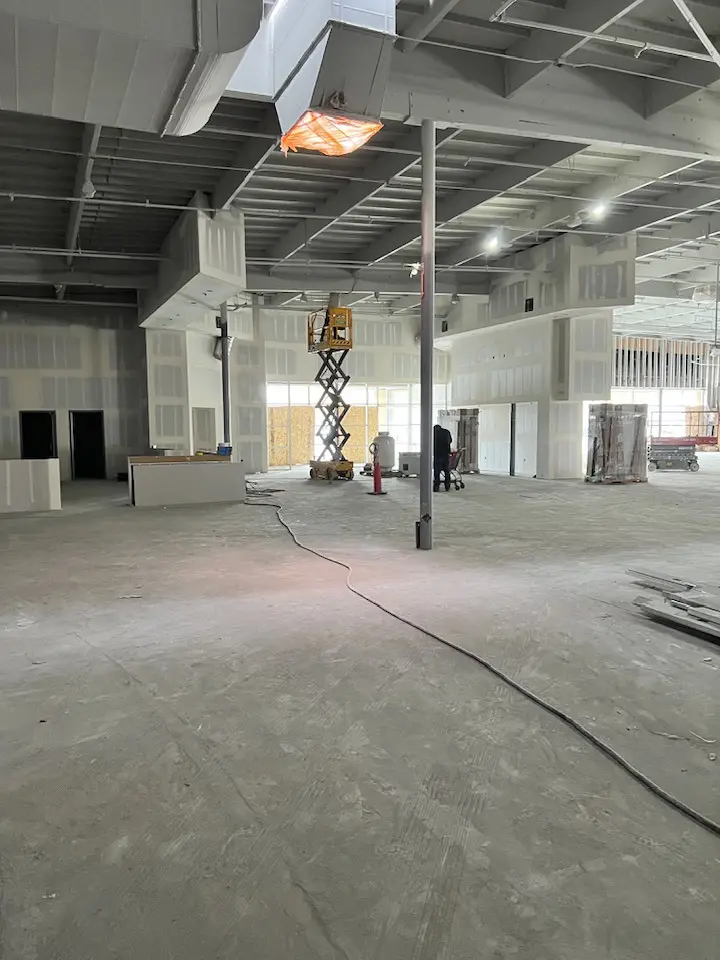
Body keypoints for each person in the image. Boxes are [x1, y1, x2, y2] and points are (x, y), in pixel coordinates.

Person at [433, 423, 452, 492]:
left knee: (437, 472)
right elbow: (450, 441)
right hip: (445, 454)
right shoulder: (446, 432)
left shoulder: (433, 433)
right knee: (446, 471)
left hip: (437, 455)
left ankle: (436, 487)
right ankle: (447, 486)